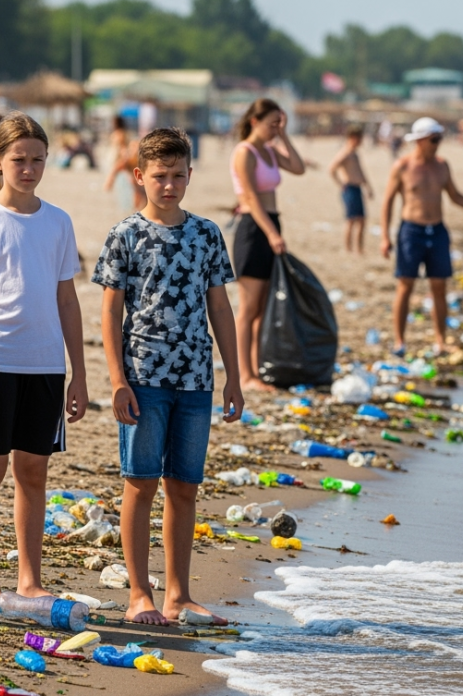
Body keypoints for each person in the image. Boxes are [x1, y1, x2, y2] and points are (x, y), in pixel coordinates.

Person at [92, 127, 245, 625]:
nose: (169, 185)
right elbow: (109, 311)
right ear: (140, 176)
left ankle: (178, 595)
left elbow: (220, 307)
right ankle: (140, 594)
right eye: (159, 176)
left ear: (190, 175)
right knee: (140, 483)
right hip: (142, 378)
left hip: (196, 380)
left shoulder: (206, 234)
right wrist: (116, 379)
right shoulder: (125, 234)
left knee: (185, 486)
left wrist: (234, 376)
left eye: (178, 175)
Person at [0, 112, 88, 612]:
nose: (28, 169)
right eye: (18, 160)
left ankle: (30, 580)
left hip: (47, 366)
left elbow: (67, 302)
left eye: (37, 160)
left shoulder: (58, 221)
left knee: (34, 471)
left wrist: (78, 372)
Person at [379, 118, 463, 357]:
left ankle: (440, 341)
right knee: (405, 285)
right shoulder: (402, 166)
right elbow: (388, 201)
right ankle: (400, 341)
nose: (437, 144)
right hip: (411, 231)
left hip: (438, 230)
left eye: (439, 139)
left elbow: (455, 196)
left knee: (439, 287)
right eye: (434, 140)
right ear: (420, 140)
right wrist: (385, 236)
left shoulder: (442, 166)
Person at [229, 98, 305, 392]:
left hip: (271, 222)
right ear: (254, 121)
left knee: (262, 307)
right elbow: (248, 198)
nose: (275, 129)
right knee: (248, 308)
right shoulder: (244, 152)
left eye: (279, 124)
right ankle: (244, 375)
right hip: (253, 228)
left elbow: (298, 168)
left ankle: (255, 368)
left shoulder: (270, 151)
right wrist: (272, 233)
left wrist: (284, 135)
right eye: (272, 124)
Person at [328, 124, 374, 253]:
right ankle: (348, 248)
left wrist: (368, 187)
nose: (361, 141)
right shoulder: (346, 153)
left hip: (357, 188)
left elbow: (360, 172)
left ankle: (359, 248)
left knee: (362, 220)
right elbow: (332, 168)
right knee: (351, 220)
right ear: (353, 137)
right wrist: (340, 183)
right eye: (360, 138)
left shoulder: (354, 153)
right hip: (349, 189)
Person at [103, 116, 144, 212]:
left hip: (119, 158)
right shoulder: (123, 133)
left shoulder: (119, 134)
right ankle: (135, 207)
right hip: (119, 159)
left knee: (132, 184)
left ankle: (135, 207)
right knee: (132, 184)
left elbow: (122, 147)